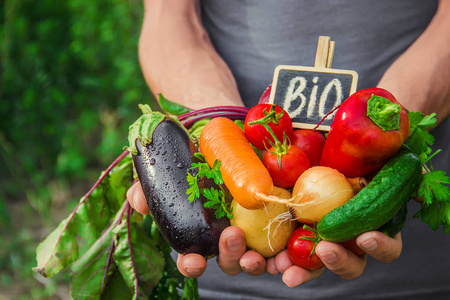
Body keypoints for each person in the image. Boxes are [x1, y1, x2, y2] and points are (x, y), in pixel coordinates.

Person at [128, 0, 450, 298]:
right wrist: (217, 128)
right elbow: (169, 17)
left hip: (413, 273)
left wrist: (390, 133)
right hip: (223, 264)